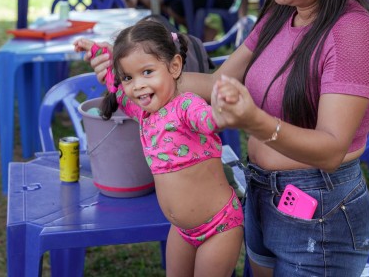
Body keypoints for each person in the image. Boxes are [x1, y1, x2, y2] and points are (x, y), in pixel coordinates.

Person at [89, 0, 369, 275]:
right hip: (261, 190)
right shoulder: (282, 11)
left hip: (319, 213)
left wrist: (256, 123)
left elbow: (331, 149)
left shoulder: (352, 34)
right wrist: (138, 73)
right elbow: (218, 81)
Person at [74, 20, 244, 277]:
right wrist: (100, 54)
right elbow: (117, 90)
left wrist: (224, 110)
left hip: (219, 226)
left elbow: (208, 119)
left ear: (174, 67)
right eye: (129, 77)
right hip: (182, 231)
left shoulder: (186, 105)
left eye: (147, 72)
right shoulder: (142, 112)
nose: (138, 84)